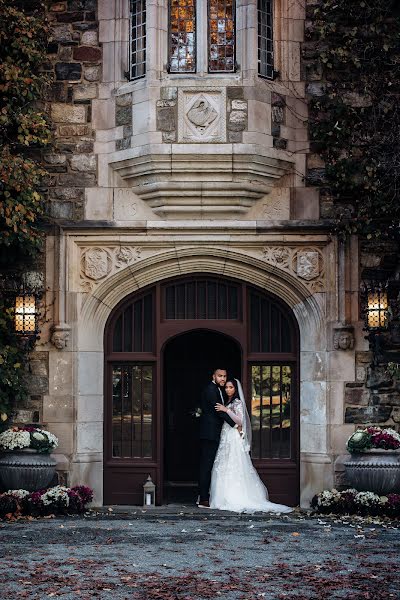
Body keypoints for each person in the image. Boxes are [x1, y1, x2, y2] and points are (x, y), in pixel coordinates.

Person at [209, 378, 293, 513]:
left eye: (231, 387)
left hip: (233, 436)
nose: (228, 389)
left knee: (234, 464)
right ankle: (222, 497)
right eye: (227, 387)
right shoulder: (229, 401)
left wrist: (226, 410)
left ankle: (236, 496)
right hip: (227, 435)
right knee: (224, 463)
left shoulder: (237, 402)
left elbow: (240, 420)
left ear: (236, 389)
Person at [198, 368, 239, 508]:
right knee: (206, 465)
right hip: (210, 434)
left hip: (214, 433)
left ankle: (204, 496)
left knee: (209, 464)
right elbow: (219, 411)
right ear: (213, 376)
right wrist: (235, 425)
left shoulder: (218, 390)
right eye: (220, 376)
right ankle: (203, 498)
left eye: (224, 376)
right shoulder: (211, 390)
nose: (222, 378)